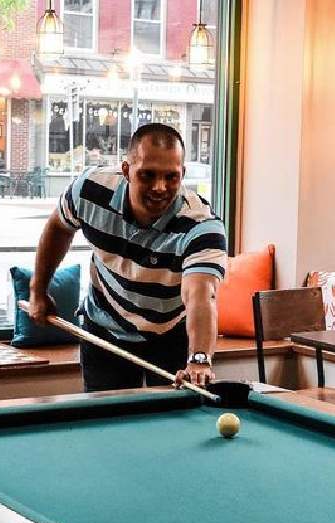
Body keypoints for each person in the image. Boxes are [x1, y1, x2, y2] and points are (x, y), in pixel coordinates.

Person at [28, 123, 227, 392]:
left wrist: (200, 359)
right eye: (148, 175)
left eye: (171, 177)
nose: (160, 187)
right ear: (126, 171)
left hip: (171, 334)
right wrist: (38, 290)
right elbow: (58, 227)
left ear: (183, 174)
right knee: (106, 425)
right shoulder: (90, 190)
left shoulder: (201, 226)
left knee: (175, 422)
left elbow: (200, 296)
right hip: (105, 330)